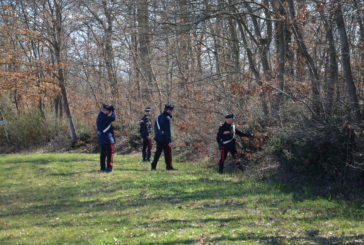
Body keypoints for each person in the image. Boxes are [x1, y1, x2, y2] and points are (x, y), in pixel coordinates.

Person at [151, 104, 176, 171]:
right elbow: (167, 131)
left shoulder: (158, 117)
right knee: (167, 153)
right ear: (168, 110)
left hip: (158, 138)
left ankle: (153, 166)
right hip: (164, 138)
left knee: (158, 153)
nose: (171, 111)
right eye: (171, 110)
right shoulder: (167, 118)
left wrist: (157, 136)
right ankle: (169, 166)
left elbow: (156, 129)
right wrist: (169, 141)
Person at [96, 104, 116, 172]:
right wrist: (113, 111)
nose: (110, 113)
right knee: (110, 154)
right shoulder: (104, 117)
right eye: (109, 111)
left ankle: (103, 168)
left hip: (103, 139)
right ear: (106, 111)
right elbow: (113, 118)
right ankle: (109, 168)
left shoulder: (100, 116)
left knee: (103, 154)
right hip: (108, 139)